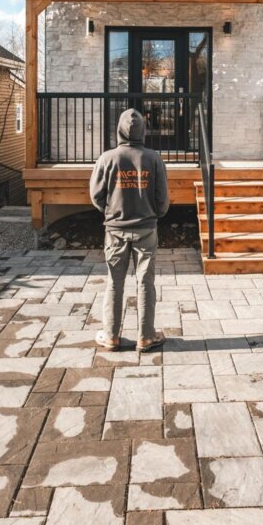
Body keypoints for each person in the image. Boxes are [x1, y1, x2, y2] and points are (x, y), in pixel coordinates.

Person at [90, 107, 170, 352]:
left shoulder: (107, 158)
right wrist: (155, 214)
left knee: (115, 283)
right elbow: (162, 199)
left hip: (115, 230)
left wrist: (110, 212)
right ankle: (146, 337)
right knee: (146, 282)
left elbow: (96, 195)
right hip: (146, 228)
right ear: (143, 130)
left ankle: (111, 336)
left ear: (119, 130)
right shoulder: (153, 158)